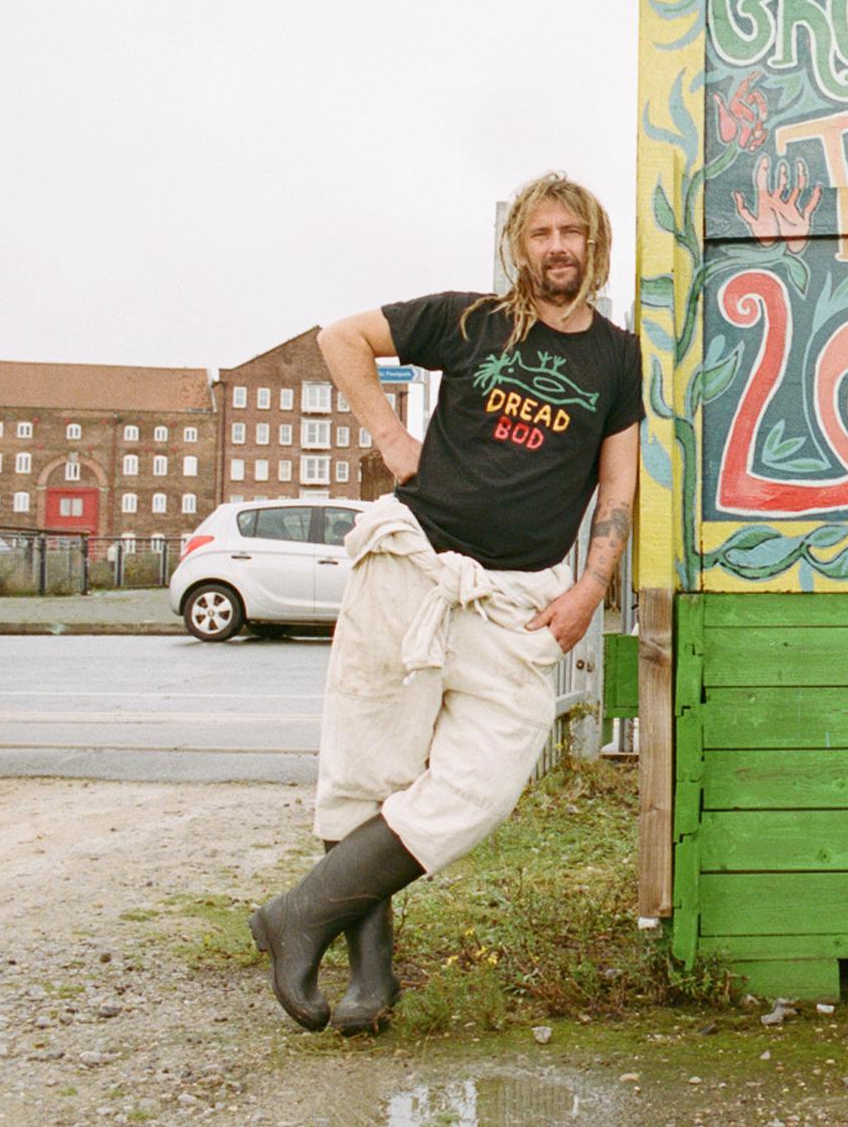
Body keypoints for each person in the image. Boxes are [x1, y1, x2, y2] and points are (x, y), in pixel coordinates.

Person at [248, 172, 640, 1033]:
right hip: (411, 563)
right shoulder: (471, 319)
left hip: (517, 600)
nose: (557, 247)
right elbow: (341, 336)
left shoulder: (617, 356)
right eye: (540, 233)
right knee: (365, 766)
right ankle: (370, 984)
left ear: (595, 243)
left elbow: (618, 481)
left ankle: (298, 913)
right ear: (520, 246)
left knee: (485, 779)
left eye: (571, 231)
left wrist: (593, 584)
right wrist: (392, 435)